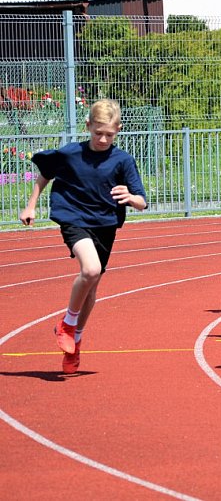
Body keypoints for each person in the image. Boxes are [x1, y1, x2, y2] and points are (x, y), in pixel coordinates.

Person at [19, 99, 148, 374]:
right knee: (90, 269)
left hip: (105, 224)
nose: (102, 139)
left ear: (118, 130)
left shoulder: (123, 160)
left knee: (92, 287)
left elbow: (142, 200)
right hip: (73, 217)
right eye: (97, 132)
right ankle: (67, 324)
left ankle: (75, 340)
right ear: (87, 126)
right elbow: (45, 174)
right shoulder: (70, 153)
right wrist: (31, 205)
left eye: (109, 135)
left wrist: (132, 199)